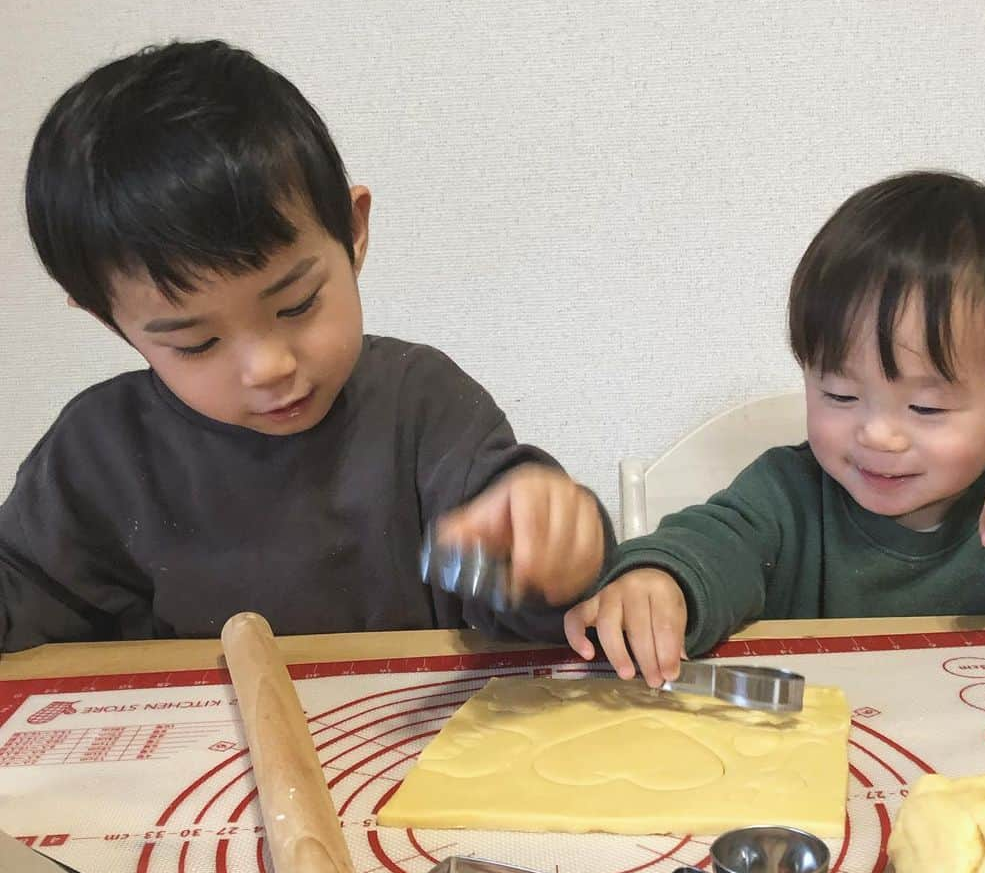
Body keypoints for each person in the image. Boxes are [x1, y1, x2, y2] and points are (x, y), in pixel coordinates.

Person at [1, 39, 613, 653]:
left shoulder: (420, 404)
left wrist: (554, 553)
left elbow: (521, 600)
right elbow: (29, 609)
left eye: (297, 305)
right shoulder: (99, 453)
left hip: (409, 741)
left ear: (353, 231)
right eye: (197, 342)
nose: (270, 367)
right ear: (111, 321)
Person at [566, 171, 985, 687]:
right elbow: (712, 544)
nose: (878, 436)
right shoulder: (787, 495)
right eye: (840, 395)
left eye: (925, 407)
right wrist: (659, 581)